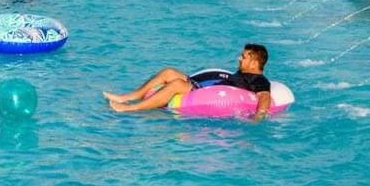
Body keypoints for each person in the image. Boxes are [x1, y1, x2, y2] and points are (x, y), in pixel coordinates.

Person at [104, 44, 275, 119]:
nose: (239, 59)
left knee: (177, 84)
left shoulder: (259, 79)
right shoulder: (241, 73)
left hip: (198, 91)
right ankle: (129, 97)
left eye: (243, 57)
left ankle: (131, 108)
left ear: (254, 62)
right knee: (169, 71)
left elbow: (265, 96)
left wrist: (258, 116)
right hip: (197, 83)